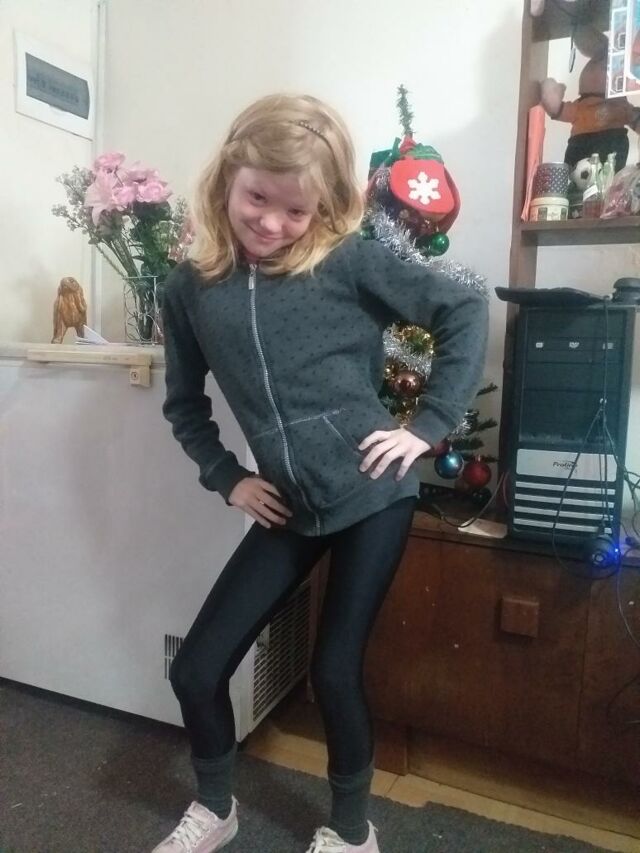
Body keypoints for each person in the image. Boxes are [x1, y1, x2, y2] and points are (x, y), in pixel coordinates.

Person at [152, 93, 488, 853]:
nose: (272, 223)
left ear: (324, 206)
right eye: (257, 198)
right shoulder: (189, 290)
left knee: (334, 670)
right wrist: (228, 477)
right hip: (289, 505)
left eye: (295, 210)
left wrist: (427, 427)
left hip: (373, 492)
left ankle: (351, 831)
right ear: (227, 178)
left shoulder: (347, 260)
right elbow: (185, 406)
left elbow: (464, 308)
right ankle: (216, 808)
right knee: (196, 669)